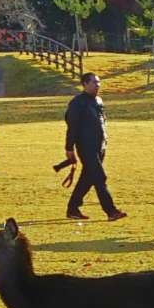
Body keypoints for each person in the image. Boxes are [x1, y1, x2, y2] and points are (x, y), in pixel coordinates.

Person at [62, 71, 126, 221]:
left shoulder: (98, 100)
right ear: (85, 84)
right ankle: (111, 211)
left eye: (98, 82)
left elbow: (102, 123)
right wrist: (69, 148)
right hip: (86, 147)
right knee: (99, 177)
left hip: (99, 146)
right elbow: (72, 126)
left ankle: (73, 208)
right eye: (94, 82)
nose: (98, 85)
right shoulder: (77, 103)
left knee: (88, 178)